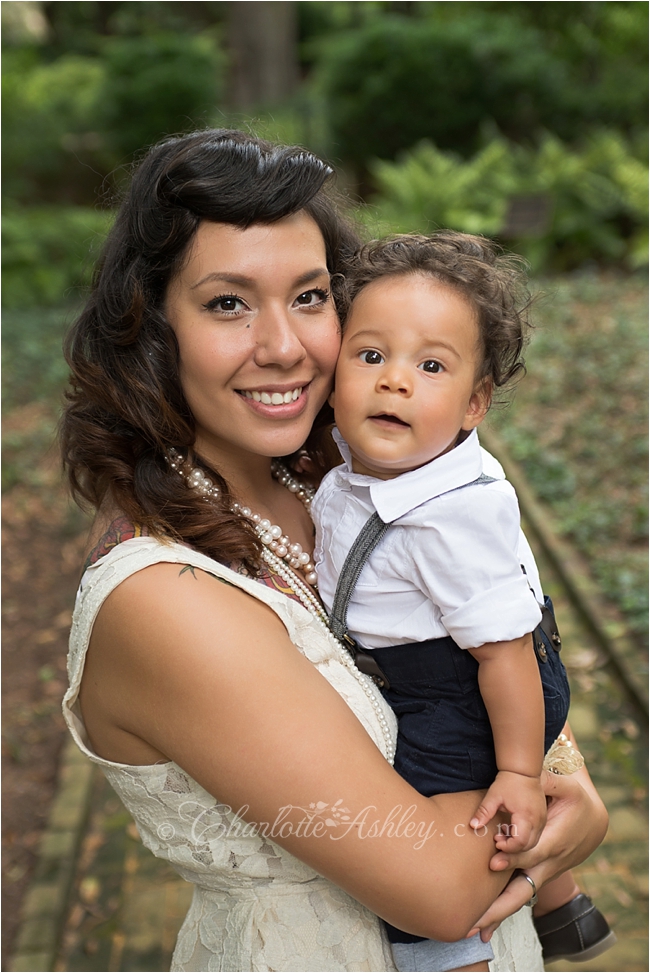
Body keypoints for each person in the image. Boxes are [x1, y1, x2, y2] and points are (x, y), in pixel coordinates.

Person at [60, 129, 608, 973]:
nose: (286, 346)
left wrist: (561, 783)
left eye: (311, 296)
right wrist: (561, 815)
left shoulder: (339, 480)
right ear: (152, 327)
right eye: (228, 303)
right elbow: (442, 889)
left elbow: (484, 655)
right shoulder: (162, 598)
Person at [312, 232, 616, 970]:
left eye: (431, 365)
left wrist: (517, 772)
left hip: (466, 682)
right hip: (450, 659)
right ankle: (564, 906)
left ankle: (454, 958)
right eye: (371, 355)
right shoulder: (374, 454)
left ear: (475, 402)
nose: (394, 382)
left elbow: (503, 653)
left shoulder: (450, 515)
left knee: (426, 835)